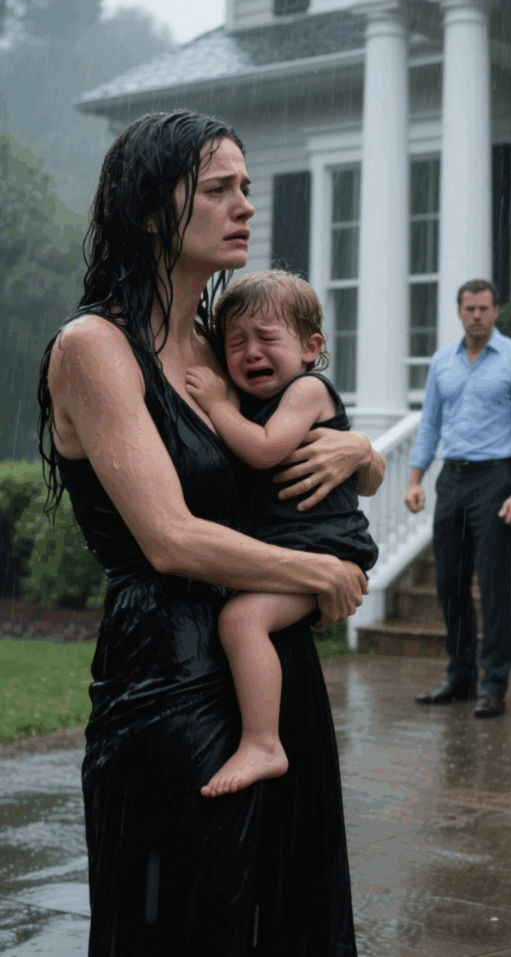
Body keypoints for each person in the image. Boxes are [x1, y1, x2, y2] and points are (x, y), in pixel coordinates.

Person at [38, 111, 384, 957]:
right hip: (169, 671)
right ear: (153, 209)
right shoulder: (95, 346)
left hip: (272, 669)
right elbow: (170, 537)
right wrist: (315, 571)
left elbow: (285, 449)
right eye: (220, 188)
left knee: (289, 911)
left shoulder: (219, 345)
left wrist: (362, 452)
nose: (246, 206)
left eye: (248, 188)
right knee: (193, 919)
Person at [184, 269, 378, 797]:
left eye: (267, 338)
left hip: (325, 550)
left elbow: (265, 449)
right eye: (236, 343)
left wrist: (217, 405)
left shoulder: (307, 391)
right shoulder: (253, 403)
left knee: (243, 618)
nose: (251, 352)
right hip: (297, 549)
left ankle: (263, 743)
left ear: (311, 348)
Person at [404, 279, 511, 719]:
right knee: (449, 583)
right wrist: (414, 479)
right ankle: (460, 678)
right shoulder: (441, 362)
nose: (477, 315)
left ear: (495, 311)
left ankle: (493, 685)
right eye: (470, 308)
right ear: (459, 311)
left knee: (493, 584)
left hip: (497, 479)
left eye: (485, 308)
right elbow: (430, 423)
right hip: (451, 479)